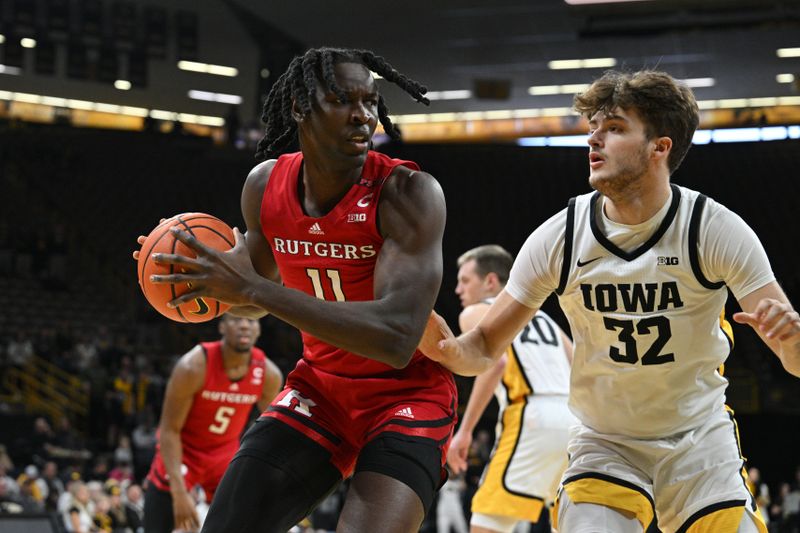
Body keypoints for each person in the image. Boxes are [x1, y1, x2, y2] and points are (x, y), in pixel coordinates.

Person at [421, 69, 800, 533]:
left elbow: (795, 360)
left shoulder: (713, 228)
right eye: (593, 128)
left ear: (660, 147)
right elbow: (481, 348)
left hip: (697, 441)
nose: (594, 139)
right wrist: (438, 341)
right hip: (605, 442)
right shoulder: (561, 234)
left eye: (614, 128)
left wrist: (791, 339)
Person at [137, 46, 456, 533]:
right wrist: (190, 272)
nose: (363, 116)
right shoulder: (265, 187)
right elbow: (250, 294)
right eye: (343, 100)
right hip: (320, 389)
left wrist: (254, 291)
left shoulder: (408, 193)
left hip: (405, 395)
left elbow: (395, 339)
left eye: (371, 102)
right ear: (299, 107)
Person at [448, 245, 577, 533]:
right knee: (568, 523)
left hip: (531, 415)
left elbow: (495, 364)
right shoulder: (543, 318)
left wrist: (465, 430)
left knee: (487, 521)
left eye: (465, 280)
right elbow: (578, 365)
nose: (458, 289)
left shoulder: (475, 312)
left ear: (490, 281)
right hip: (573, 420)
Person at [143, 314, 282, 533]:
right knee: (157, 522)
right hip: (184, 452)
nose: (245, 324)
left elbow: (272, 434)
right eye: (236, 319)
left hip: (224, 455)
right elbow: (169, 430)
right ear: (222, 326)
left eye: (251, 321)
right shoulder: (193, 366)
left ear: (259, 330)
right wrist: (178, 493)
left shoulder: (269, 375)